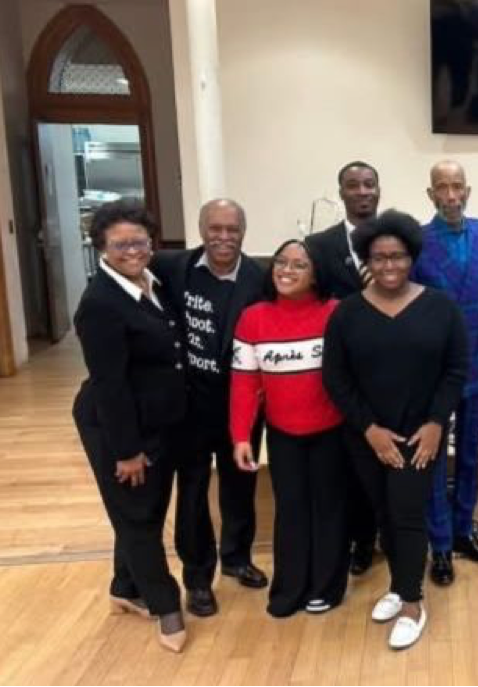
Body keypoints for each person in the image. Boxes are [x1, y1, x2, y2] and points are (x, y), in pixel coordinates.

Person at [323, 209, 469, 650]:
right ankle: (398, 583)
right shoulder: (346, 313)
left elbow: (456, 370)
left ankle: (411, 602)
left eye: (398, 256)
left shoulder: (440, 307)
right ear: (367, 259)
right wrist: (368, 429)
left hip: (418, 437)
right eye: (379, 257)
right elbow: (336, 379)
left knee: (406, 515)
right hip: (368, 437)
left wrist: (435, 424)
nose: (389, 265)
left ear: (412, 257)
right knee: (382, 513)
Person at [71, 199, 188, 652]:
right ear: (101, 246)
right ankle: (166, 606)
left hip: (156, 420)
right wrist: (126, 451)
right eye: (120, 244)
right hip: (116, 426)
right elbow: (109, 385)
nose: (132, 250)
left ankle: (125, 588)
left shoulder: (152, 284)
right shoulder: (100, 304)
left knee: (143, 508)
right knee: (138, 517)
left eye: (139, 241)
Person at [150, 199, 267, 618]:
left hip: (241, 405)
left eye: (232, 229)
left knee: (241, 487)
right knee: (194, 491)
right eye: (215, 228)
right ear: (201, 230)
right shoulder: (170, 268)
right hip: (188, 405)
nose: (223, 237)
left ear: (243, 232)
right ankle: (198, 578)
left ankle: (237, 557)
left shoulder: (261, 277)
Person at [230, 240, 349, 617]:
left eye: (299, 265)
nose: (286, 270)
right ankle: (290, 588)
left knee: (330, 510)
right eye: (281, 261)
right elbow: (244, 383)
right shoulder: (253, 318)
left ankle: (327, 587)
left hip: (332, 432)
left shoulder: (337, 313)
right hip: (283, 436)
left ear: (316, 275)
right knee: (291, 511)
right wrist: (239, 436)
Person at [413, 161, 478, 587]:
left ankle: (464, 529)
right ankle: (440, 544)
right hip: (433, 369)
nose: (450, 196)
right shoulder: (415, 241)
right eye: (441, 188)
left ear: (468, 192)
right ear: (430, 194)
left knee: (470, 451)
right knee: (432, 457)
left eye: (457, 188)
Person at [305, 160, 382, 576]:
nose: (362, 191)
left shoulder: (397, 237)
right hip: (341, 369)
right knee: (351, 464)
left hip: (389, 368)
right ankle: (360, 540)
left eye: (369, 184)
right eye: (353, 185)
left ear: (379, 190)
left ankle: (390, 531)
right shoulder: (318, 245)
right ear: (342, 193)